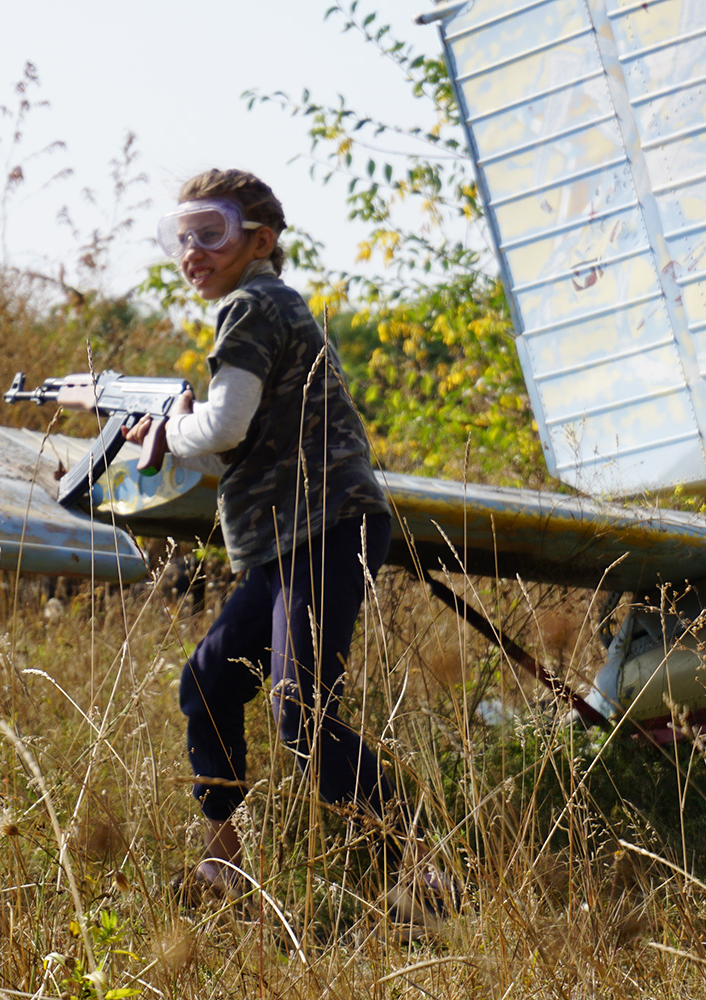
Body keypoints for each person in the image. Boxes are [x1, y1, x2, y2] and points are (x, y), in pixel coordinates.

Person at [127, 168, 416, 900]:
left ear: (261, 241)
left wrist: (169, 430)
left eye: (212, 233)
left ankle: (420, 874)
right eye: (181, 237)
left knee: (301, 713)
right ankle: (222, 865)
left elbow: (222, 426)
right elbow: (241, 442)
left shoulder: (252, 304)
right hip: (289, 542)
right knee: (209, 681)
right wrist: (175, 435)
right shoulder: (270, 308)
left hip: (324, 530)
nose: (192, 252)